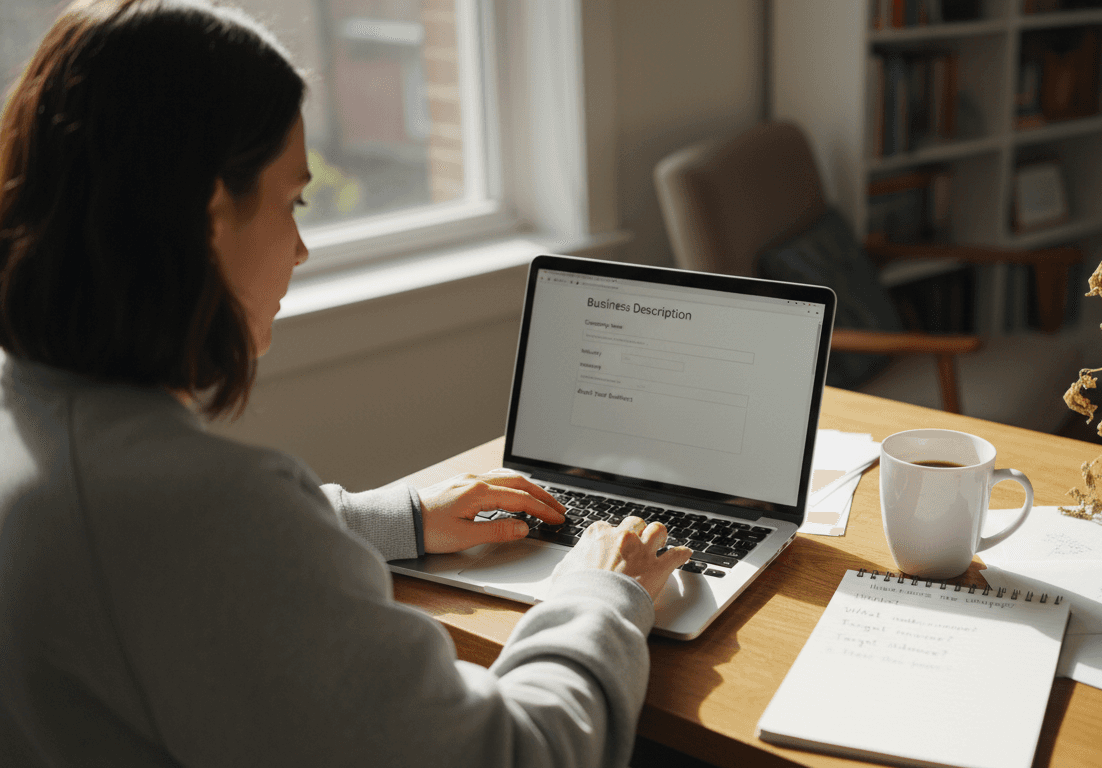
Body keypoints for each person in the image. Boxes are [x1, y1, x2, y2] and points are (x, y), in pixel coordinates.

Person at [0, 1, 692, 765]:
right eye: (290, 202)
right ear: (207, 217)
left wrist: (394, 518)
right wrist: (603, 591)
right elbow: (519, 754)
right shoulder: (198, 513)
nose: (300, 249)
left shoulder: (36, 424)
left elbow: (182, 558)